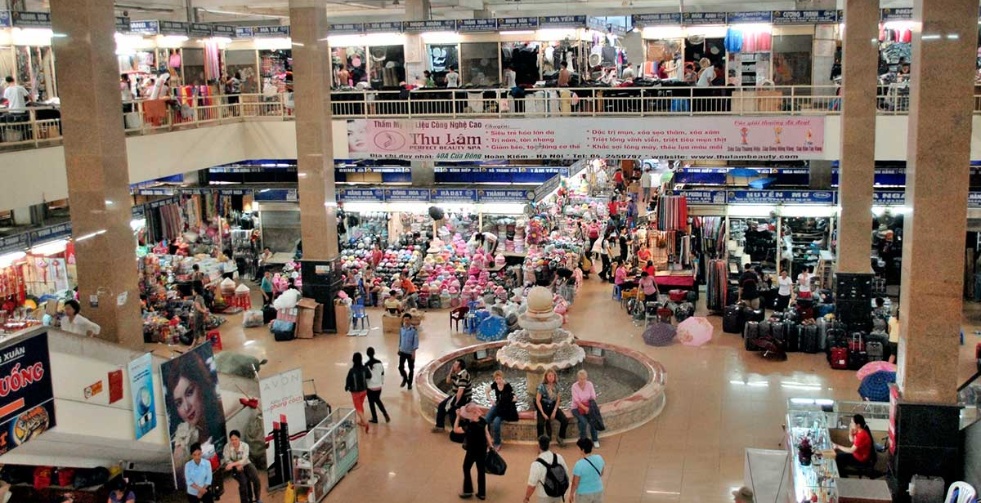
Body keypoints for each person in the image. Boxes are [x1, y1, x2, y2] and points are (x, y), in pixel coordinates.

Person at [165, 350, 227, 490]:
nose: (186, 408)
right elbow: (180, 474)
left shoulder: (221, 412)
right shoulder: (184, 434)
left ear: (201, 385)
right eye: (179, 403)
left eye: (189, 392)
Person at [455, 403, 493, 500]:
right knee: (481, 471)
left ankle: (468, 491)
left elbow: (455, 430)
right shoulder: (483, 421)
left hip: (472, 451)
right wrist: (491, 446)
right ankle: (482, 493)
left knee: (466, 467)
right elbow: (487, 434)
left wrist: (458, 417)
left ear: (472, 414)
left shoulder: (469, 426)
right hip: (482, 450)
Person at [524, 435, 568, 503]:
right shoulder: (559, 457)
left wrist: (527, 497)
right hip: (558, 493)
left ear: (538, 446)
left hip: (544, 496)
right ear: (549, 445)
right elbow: (566, 474)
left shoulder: (536, 464)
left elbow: (532, 485)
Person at [222, 430, 262, 503]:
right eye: (232, 440)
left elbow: (244, 459)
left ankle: (258, 498)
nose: (233, 442)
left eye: (235, 439)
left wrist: (234, 464)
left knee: (256, 478)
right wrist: (234, 465)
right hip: (235, 467)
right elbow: (227, 460)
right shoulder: (227, 447)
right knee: (243, 482)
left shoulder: (245, 446)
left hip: (246, 464)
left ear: (239, 439)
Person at [433, 359, 472, 432]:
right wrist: (451, 371)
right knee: (441, 405)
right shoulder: (456, 373)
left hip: (464, 398)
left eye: (455, 365)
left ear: (459, 367)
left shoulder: (463, 376)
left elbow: (460, 392)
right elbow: (448, 381)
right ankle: (440, 426)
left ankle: (458, 430)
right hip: (455, 395)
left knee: (452, 410)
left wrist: (455, 403)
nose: (453, 365)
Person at [484, 370, 518, 450]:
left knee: (496, 422)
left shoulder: (507, 386)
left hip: (505, 409)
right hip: (497, 406)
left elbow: (514, 397)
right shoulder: (495, 384)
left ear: (502, 378)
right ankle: (486, 440)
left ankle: (497, 443)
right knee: (486, 420)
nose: (498, 381)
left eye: (500, 378)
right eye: (496, 379)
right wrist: (491, 400)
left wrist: (513, 399)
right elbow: (487, 390)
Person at [536, 369, 569, 446]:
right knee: (540, 424)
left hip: (553, 407)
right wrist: (543, 413)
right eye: (549, 376)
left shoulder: (557, 385)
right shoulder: (541, 387)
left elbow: (558, 399)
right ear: (546, 377)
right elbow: (538, 401)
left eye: (552, 376)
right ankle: (541, 444)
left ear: (555, 376)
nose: (551, 377)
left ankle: (560, 437)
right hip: (543, 407)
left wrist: (554, 411)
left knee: (565, 420)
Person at [571, 370, 602, 448]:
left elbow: (593, 396)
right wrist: (584, 408)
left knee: (592, 420)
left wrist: (588, 408)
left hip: (588, 406)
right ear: (577, 379)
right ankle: (583, 440)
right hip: (576, 408)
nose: (582, 381)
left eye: (584, 379)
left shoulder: (589, 384)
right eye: (581, 379)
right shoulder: (574, 386)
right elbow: (576, 400)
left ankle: (595, 439)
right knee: (583, 422)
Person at [569, 437, 605, 503]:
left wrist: (571, 494)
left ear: (582, 450)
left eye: (578, 448)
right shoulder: (599, 458)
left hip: (583, 494)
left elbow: (575, 483)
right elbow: (601, 473)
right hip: (598, 491)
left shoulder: (579, 464)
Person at [345, 352, 372, 432]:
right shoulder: (365, 368)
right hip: (364, 391)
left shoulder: (352, 371)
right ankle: (361, 421)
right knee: (360, 405)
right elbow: (369, 376)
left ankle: (365, 422)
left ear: (353, 360)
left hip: (355, 392)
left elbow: (348, 381)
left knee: (358, 408)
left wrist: (346, 387)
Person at [365, 347, 390, 424]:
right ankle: (385, 413)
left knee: (371, 403)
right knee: (377, 400)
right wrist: (381, 382)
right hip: (378, 387)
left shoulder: (366, 365)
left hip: (370, 387)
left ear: (367, 354)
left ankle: (375, 418)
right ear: (374, 353)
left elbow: (366, 377)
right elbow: (382, 373)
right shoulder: (379, 363)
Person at [398, 313, 419, 389]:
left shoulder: (413, 330)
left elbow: (415, 342)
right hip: (402, 351)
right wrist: (399, 348)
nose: (406, 321)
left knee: (411, 369)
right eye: (405, 319)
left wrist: (414, 352)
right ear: (403, 320)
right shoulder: (401, 329)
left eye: (408, 319)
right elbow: (400, 339)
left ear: (410, 320)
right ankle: (405, 378)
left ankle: (409, 383)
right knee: (400, 367)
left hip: (410, 352)